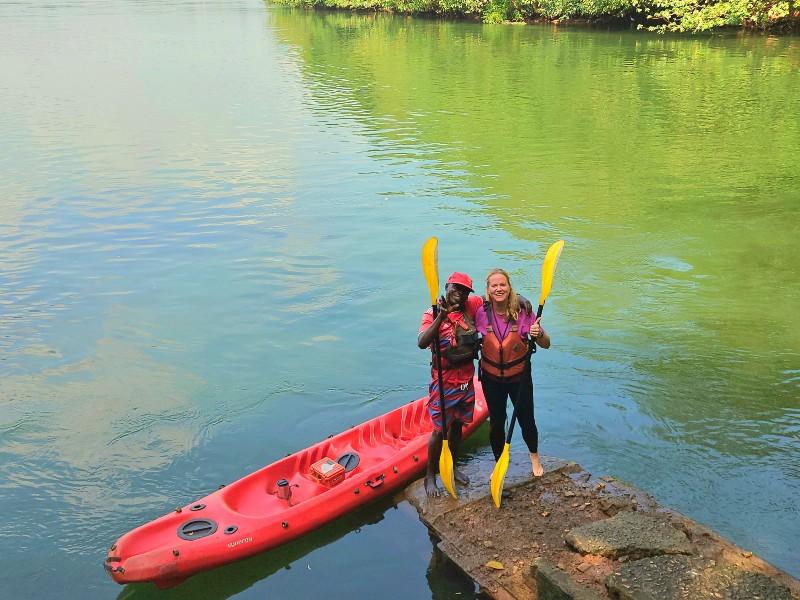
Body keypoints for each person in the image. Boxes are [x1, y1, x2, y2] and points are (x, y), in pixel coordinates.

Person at [474, 268, 551, 477]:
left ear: (509, 287)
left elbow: (546, 344)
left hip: (519, 378)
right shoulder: (479, 312)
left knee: (527, 418)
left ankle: (534, 455)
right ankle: (499, 462)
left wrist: (539, 333)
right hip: (491, 379)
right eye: (494, 285)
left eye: (503, 285)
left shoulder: (523, 312)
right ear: (488, 289)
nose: (499, 288)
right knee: (497, 422)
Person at [418, 272, 483, 498]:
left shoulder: (470, 306)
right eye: (456, 288)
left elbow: (494, 297)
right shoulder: (432, 313)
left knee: (457, 426)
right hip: (444, 381)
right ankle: (429, 475)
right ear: (447, 287)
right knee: (439, 430)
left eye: (464, 290)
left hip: (466, 379)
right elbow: (421, 342)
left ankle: (452, 466)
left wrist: (520, 298)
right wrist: (442, 317)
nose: (460, 293)